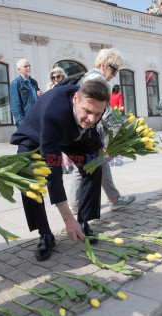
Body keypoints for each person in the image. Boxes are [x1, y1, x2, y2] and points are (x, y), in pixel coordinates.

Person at [10, 80, 109, 260]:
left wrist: (99, 146)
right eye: (87, 111)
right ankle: (45, 233)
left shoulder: (92, 107)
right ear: (75, 99)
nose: (92, 118)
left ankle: (84, 220)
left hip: (69, 135)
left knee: (93, 165)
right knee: (29, 180)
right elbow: (52, 167)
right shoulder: (53, 113)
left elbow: (92, 128)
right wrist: (67, 218)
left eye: (98, 113)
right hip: (34, 136)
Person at [68, 48, 135, 214]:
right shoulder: (98, 80)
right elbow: (103, 111)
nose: (114, 75)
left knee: (98, 162)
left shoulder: (88, 75)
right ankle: (76, 204)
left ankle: (113, 198)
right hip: (91, 130)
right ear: (104, 65)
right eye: (114, 70)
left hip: (85, 128)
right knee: (84, 165)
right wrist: (118, 130)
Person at [10, 59, 43, 127]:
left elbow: (35, 99)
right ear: (19, 69)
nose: (29, 68)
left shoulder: (34, 82)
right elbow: (15, 106)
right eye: (25, 66)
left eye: (29, 66)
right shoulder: (16, 83)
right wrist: (22, 123)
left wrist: (39, 96)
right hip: (26, 121)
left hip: (37, 118)